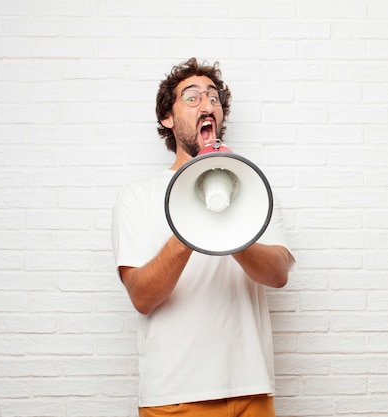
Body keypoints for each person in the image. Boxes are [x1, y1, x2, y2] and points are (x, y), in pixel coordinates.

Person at [111, 57, 294, 417]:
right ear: (167, 117)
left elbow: (279, 274)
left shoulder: (253, 189)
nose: (207, 104)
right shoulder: (137, 196)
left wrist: (230, 220)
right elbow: (142, 297)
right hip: (174, 395)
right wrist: (192, 224)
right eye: (192, 98)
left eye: (214, 97)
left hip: (250, 389)